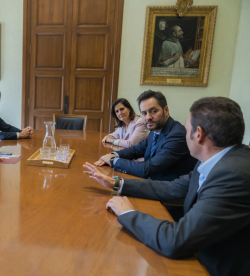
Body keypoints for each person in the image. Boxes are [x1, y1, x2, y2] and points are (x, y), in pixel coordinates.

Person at [83, 97, 250, 276]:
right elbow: (173, 187)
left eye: (187, 130)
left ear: (198, 134)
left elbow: (176, 240)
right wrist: (117, 183)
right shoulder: (216, 160)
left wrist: (128, 213)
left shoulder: (232, 175)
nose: (185, 134)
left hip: (211, 266)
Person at [95, 90, 196, 181]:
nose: (148, 117)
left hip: (167, 193)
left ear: (166, 110)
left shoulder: (177, 135)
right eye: (144, 113)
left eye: (153, 111)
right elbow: (137, 149)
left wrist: (114, 161)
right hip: (151, 183)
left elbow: (148, 168)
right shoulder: (155, 130)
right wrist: (114, 155)